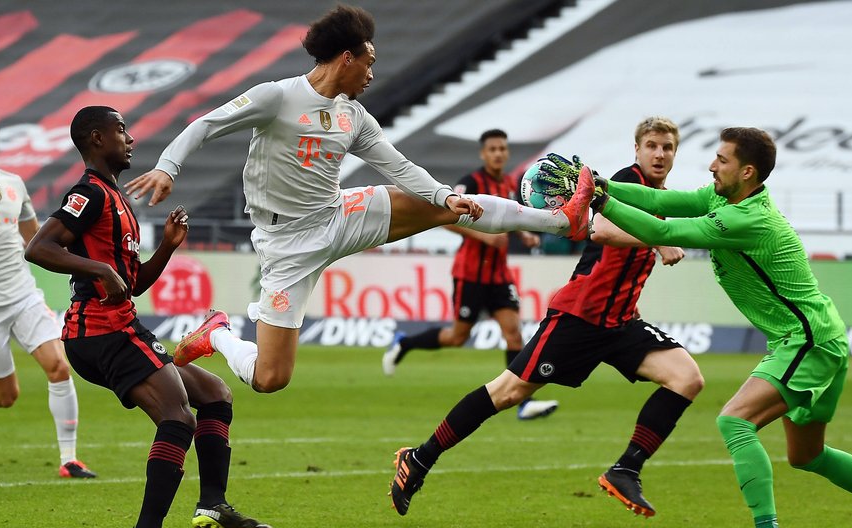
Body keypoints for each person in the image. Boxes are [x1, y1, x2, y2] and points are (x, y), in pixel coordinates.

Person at [123, 4, 594, 395]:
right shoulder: (277, 98)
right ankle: (219, 334)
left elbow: (397, 166)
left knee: (446, 208)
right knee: (270, 378)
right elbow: (207, 124)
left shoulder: (354, 116)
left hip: (340, 214)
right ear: (346, 58)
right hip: (285, 245)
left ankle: (562, 220)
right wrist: (168, 167)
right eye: (368, 62)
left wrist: (443, 196)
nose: (372, 73)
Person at [573, 126, 852, 528]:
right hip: (819, 336)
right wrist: (603, 182)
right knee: (808, 455)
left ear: (746, 172)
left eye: (721, 160)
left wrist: (599, 201)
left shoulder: (747, 220)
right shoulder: (722, 198)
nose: (712, 166)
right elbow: (659, 202)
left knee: (735, 421)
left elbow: (658, 228)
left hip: (806, 341)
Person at [390, 116, 703, 519]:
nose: (659, 154)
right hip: (580, 317)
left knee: (687, 378)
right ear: (637, 150)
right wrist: (661, 240)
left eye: (667, 147)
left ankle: (626, 469)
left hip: (621, 322)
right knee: (508, 393)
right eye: (652, 146)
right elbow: (602, 230)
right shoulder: (627, 181)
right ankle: (419, 458)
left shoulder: (661, 198)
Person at [25, 106, 271, 528]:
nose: (130, 138)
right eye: (121, 130)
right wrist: (99, 269)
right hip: (99, 331)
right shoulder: (88, 193)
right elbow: (38, 247)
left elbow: (132, 281)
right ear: (96, 139)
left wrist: (167, 249)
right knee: (178, 418)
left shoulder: (116, 199)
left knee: (215, 394)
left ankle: (213, 505)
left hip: (120, 326)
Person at [0, 109, 94, 479]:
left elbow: (36, 240)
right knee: (5, 396)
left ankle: (69, 459)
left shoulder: (14, 184)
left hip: (23, 294)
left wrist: (81, 261)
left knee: (58, 366)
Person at [381, 128, 557, 420]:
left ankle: (523, 403)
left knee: (513, 333)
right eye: (493, 149)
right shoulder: (471, 182)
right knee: (457, 337)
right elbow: (444, 218)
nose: (498, 154)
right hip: (471, 273)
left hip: (499, 275)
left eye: (502, 148)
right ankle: (404, 342)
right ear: (483, 154)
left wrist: (523, 233)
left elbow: (510, 217)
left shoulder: (510, 184)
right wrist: (484, 236)